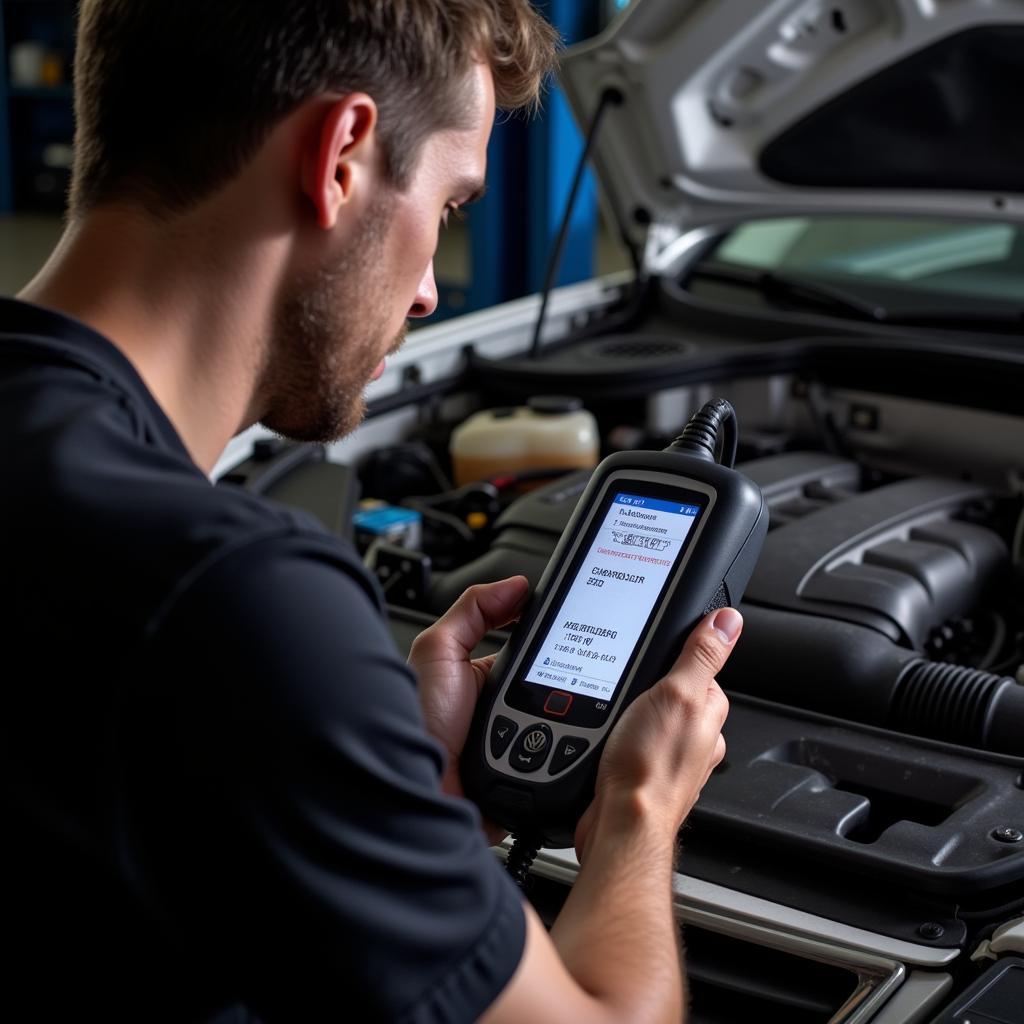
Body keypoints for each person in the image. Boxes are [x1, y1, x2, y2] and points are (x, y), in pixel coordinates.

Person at [0, 2, 742, 1021]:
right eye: (446, 206)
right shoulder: (233, 600)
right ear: (340, 156)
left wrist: (400, 781)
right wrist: (640, 808)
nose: (432, 290)